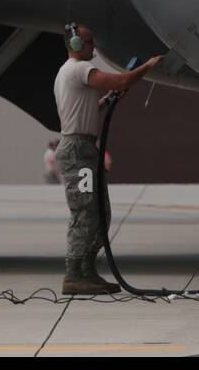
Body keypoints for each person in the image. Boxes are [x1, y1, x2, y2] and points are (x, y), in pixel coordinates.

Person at [53, 21, 162, 295]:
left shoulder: (68, 73)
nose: (94, 48)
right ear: (76, 45)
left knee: (99, 213)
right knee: (86, 213)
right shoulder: (79, 69)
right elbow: (123, 80)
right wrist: (148, 66)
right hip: (78, 151)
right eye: (90, 43)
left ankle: (87, 272)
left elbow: (80, 112)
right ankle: (74, 274)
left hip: (83, 147)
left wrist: (105, 101)